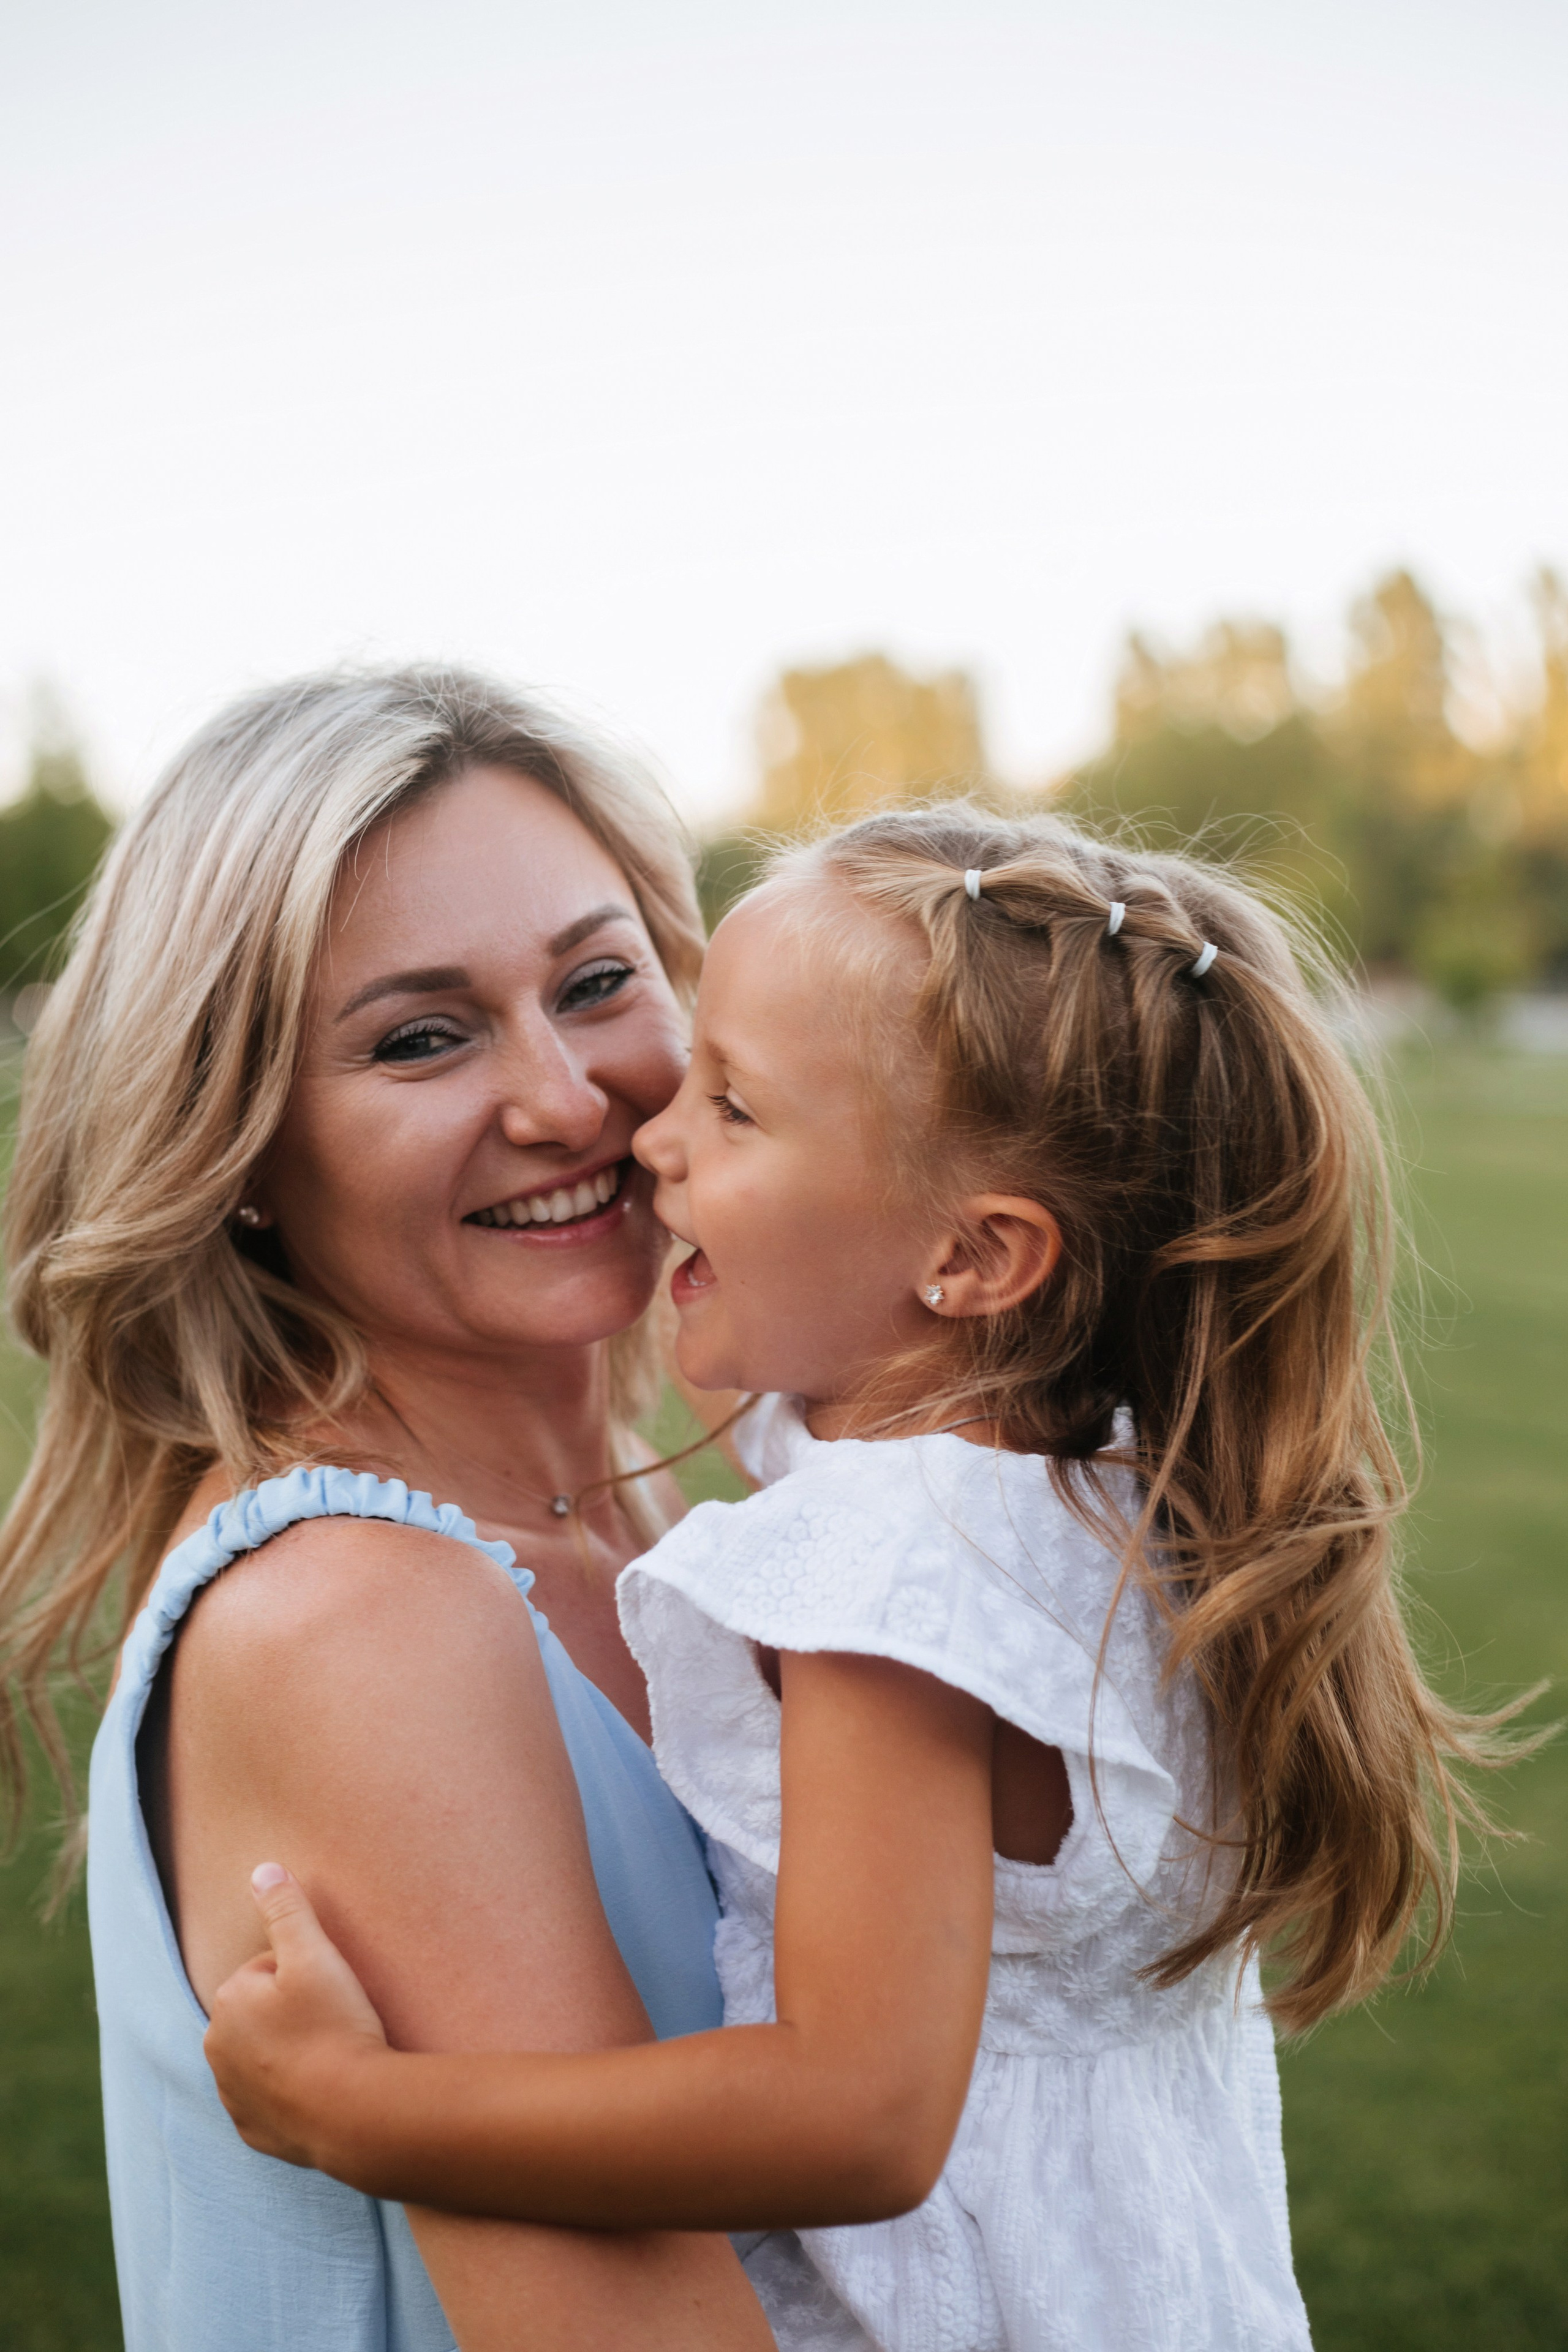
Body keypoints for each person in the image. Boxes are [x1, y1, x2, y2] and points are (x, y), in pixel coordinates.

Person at [206, 801, 1515, 2352]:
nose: (648, 1139)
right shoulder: (1087, 1476)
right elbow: (778, 1371)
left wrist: (369, 2114)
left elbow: (857, 2117)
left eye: (735, 1111)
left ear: (970, 1262)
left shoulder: (884, 1581)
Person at [0, 667, 778, 2351]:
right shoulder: (359, 1617)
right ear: (242, 1149)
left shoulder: (658, 1514)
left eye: (595, 981)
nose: (565, 1098)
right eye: (421, 1037)